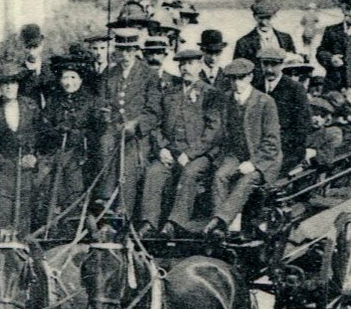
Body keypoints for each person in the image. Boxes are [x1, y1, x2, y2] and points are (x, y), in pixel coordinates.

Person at [140, 48, 221, 236]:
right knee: (154, 172)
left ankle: (174, 223)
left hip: (199, 154)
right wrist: (161, 148)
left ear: (200, 65)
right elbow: (156, 124)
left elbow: (214, 131)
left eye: (191, 64)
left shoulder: (210, 93)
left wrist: (190, 154)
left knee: (190, 173)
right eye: (182, 64)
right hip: (171, 152)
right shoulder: (170, 93)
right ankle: (149, 223)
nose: (186, 68)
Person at [204, 59, 282, 237]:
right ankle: (221, 228)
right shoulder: (226, 100)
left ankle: (220, 221)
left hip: (264, 160)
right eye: (232, 79)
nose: (236, 83)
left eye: (241, 78)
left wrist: (254, 163)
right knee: (220, 176)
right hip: (235, 155)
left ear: (250, 77)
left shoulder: (265, 102)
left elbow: (272, 142)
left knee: (246, 180)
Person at [36, 46, 105, 233]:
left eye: (73, 77)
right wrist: (56, 131)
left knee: (75, 184)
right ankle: (51, 225)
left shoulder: (91, 101)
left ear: (81, 79)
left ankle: (76, 223)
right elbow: (43, 127)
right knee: (49, 184)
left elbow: (97, 130)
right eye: (65, 77)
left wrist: (80, 134)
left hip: (82, 156)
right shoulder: (54, 101)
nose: (69, 82)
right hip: (57, 153)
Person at [100, 27, 163, 223]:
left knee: (129, 162)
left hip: (138, 135)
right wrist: (105, 115)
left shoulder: (148, 74)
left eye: (129, 50)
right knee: (105, 144)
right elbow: (102, 103)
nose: (125, 55)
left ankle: (123, 211)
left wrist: (135, 125)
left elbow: (154, 111)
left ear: (136, 50)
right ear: (116, 51)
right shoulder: (109, 73)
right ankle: (104, 201)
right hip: (114, 131)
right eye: (121, 50)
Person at [0, 62, 39, 238]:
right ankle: (1, 247)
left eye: (13, 83)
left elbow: (42, 134)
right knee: (2, 208)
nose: (9, 87)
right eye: (5, 83)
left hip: (27, 168)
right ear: (0, 87)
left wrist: (33, 156)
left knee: (24, 209)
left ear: (18, 85)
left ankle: (24, 249)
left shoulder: (30, 106)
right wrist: (1, 162)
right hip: (5, 169)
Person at [259, 51, 312, 176]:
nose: (269, 69)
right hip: (260, 147)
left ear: (282, 65)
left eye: (274, 65)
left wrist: (276, 144)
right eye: (265, 64)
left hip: (288, 148)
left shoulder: (295, 89)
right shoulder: (256, 86)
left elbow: (303, 126)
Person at [233, 0, 295, 65]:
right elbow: (237, 69)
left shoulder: (286, 38)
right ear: (254, 17)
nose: (264, 22)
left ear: (275, 16)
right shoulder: (243, 43)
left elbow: (293, 63)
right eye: (261, 18)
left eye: (268, 18)